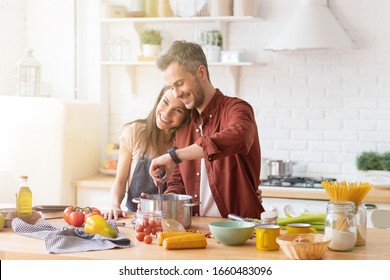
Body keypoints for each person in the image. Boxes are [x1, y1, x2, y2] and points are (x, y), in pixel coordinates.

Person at [149, 40, 264, 219]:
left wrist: (175, 156)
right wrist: (166, 201)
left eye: (180, 83)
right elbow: (178, 181)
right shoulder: (184, 126)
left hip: (241, 230)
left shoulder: (236, 109)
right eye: (172, 87)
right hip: (197, 229)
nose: (177, 93)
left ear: (201, 72)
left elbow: (239, 136)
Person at [104, 86, 190, 220]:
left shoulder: (186, 144)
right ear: (158, 101)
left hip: (171, 219)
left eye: (178, 110)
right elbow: (120, 182)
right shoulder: (134, 132)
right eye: (165, 102)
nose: (166, 113)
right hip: (135, 218)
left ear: (186, 117)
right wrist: (115, 205)